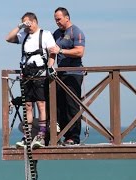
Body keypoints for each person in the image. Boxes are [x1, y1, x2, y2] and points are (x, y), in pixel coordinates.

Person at [6, 12, 56, 149]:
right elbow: (8, 38)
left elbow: (52, 52)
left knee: (41, 104)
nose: (27, 26)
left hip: (40, 73)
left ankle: (42, 134)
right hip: (26, 74)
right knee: (27, 105)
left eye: (28, 23)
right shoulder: (24, 35)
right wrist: (20, 26)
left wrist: (50, 67)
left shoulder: (45, 34)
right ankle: (27, 136)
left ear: (34, 21)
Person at [49, 7, 86, 145]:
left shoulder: (76, 32)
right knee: (59, 105)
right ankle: (61, 135)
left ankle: (74, 137)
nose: (57, 22)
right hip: (60, 73)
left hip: (74, 73)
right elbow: (53, 52)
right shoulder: (56, 33)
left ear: (67, 17)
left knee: (72, 105)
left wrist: (61, 50)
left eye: (59, 19)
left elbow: (80, 52)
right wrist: (49, 66)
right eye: (55, 20)